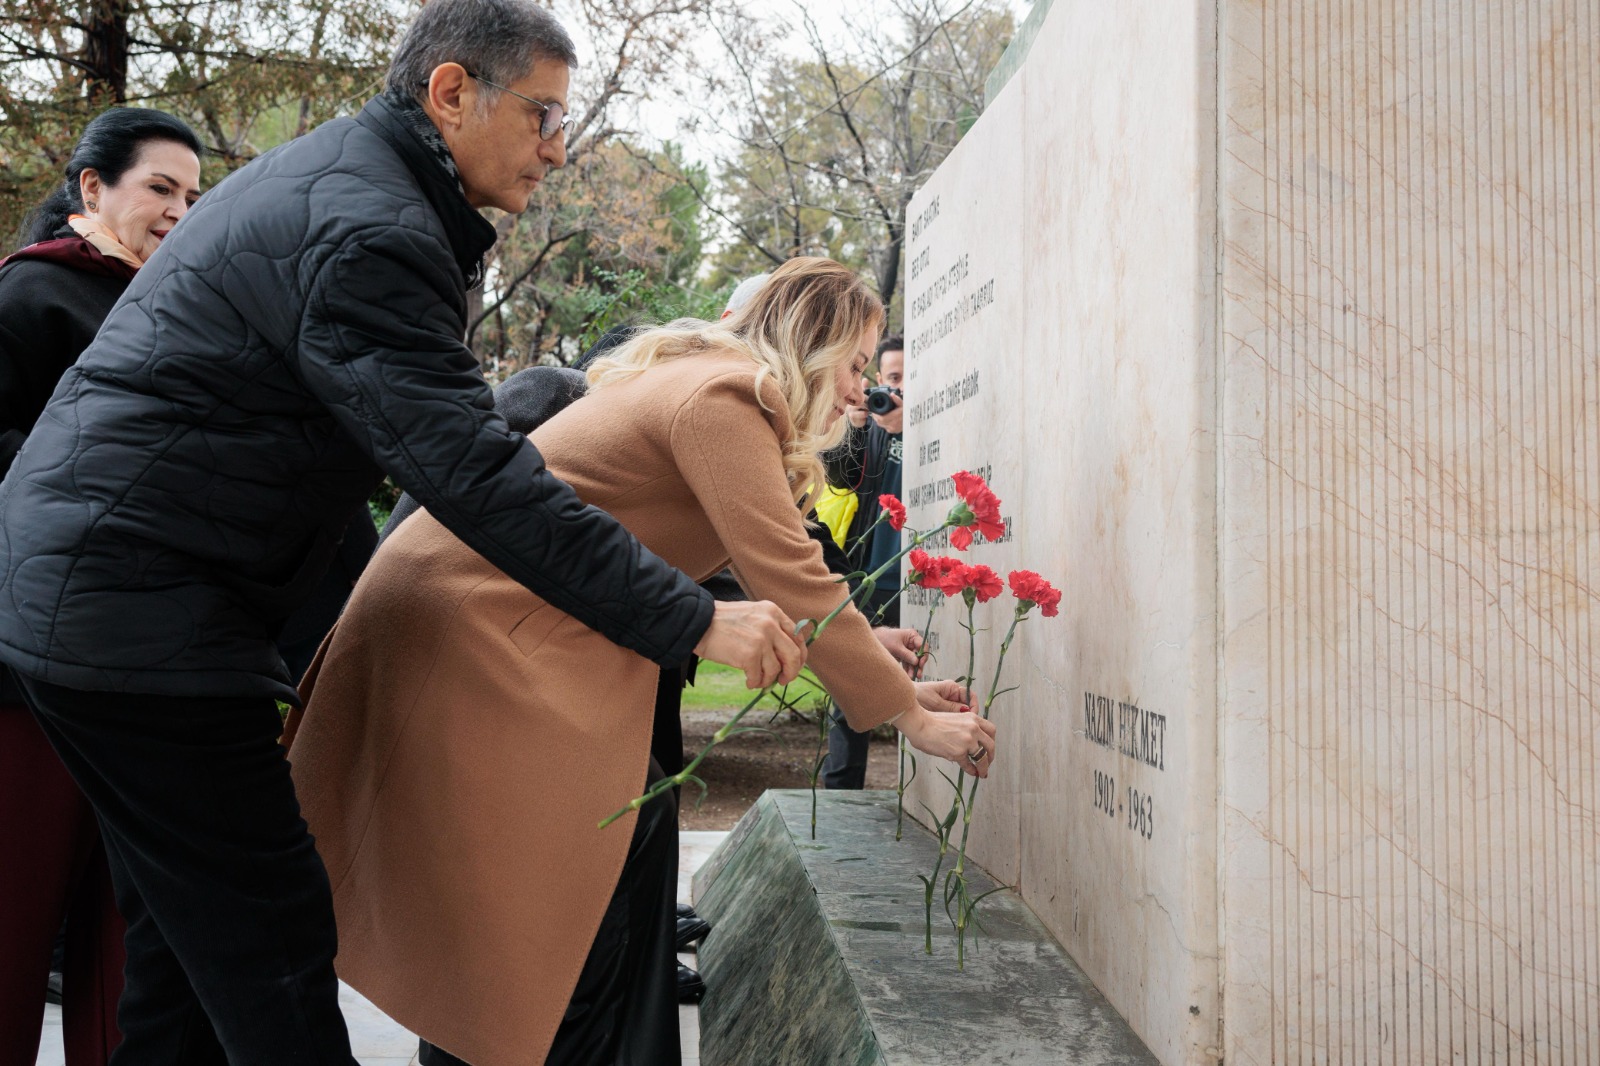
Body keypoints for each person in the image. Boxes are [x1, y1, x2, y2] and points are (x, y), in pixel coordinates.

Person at [0, 1, 805, 1060]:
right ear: (451, 92)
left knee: (187, 956)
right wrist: (691, 617)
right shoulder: (373, 228)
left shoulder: (359, 185)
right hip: (137, 616)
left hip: (104, 602)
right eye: (543, 116)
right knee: (274, 937)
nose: (558, 150)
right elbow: (475, 475)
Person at [284, 257, 997, 1066]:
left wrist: (893, 679)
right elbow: (791, 577)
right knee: (549, 920)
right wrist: (905, 716)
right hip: (481, 635)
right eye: (857, 363)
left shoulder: (700, 378)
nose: (858, 391)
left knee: (536, 912)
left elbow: (785, 562)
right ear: (812, 339)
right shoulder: (730, 394)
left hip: (479, 627)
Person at [0, 106, 203, 1066]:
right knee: (12, 912)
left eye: (192, 196)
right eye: (159, 187)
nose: (178, 209)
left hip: (151, 670)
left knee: (128, 948)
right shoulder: (31, 296)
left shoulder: (182, 310)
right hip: (26, 677)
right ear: (93, 188)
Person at [821, 334, 909, 789]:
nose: (896, 392)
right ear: (878, 380)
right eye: (892, 379)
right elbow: (837, 476)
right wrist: (855, 428)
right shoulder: (869, 424)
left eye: (908, 381)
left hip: (916, 580)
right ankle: (840, 789)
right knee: (849, 683)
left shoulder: (928, 427)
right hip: (869, 574)